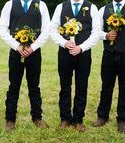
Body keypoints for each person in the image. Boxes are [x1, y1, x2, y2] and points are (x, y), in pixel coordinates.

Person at [0, 0, 50, 131]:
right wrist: (17, 46)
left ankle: (37, 118)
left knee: (34, 86)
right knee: (13, 86)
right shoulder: (10, 4)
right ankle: (10, 120)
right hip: (16, 53)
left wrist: (32, 47)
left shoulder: (41, 5)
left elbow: (46, 30)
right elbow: (3, 28)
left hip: (34, 53)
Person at [93, 0, 125, 133]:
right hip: (108, 54)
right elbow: (96, 31)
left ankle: (122, 120)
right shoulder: (103, 9)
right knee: (106, 87)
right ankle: (102, 116)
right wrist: (106, 35)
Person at [50, 0, 100, 132]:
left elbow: (96, 33)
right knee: (64, 86)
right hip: (65, 53)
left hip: (83, 54)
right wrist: (64, 43)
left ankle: (78, 120)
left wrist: (81, 47)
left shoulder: (92, 7)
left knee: (81, 86)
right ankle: (65, 119)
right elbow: (53, 30)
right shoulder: (61, 7)